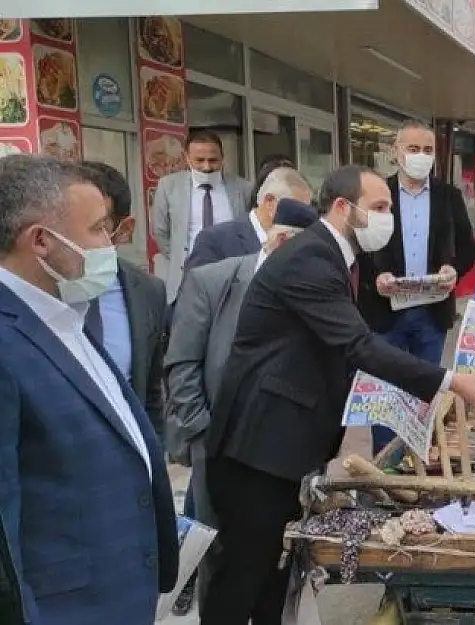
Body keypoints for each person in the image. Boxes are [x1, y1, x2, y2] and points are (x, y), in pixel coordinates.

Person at [201, 165, 475, 625]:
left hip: (287, 443)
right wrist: (450, 380)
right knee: (244, 572)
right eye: (379, 208)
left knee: (273, 573)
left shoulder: (339, 257)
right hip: (258, 447)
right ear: (343, 207)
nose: (388, 219)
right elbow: (359, 345)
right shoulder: (311, 259)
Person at [0, 155, 178, 625]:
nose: (111, 246)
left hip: (117, 591)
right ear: (40, 241)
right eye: (99, 230)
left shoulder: (62, 314)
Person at [165, 198, 317, 617]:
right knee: (222, 556)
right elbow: (182, 365)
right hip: (218, 447)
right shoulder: (213, 282)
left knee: (277, 556)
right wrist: (203, 433)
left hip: (281, 455)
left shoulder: (310, 289)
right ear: (281, 242)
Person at [356, 120, 475, 454]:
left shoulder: (447, 196)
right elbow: (359, 244)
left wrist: (453, 269)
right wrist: (374, 278)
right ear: (396, 152)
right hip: (385, 313)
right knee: (385, 392)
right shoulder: (379, 193)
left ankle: (421, 459)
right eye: (412, 149)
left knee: (426, 392)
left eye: (427, 150)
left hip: (431, 313)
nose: (420, 156)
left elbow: (468, 247)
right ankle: (387, 464)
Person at [81, 161, 170, 441]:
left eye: (97, 226)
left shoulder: (148, 292)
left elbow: (152, 392)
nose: (77, 237)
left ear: (124, 228)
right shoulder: (36, 288)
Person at [152, 130, 254, 303]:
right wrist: (181, 258)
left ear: (223, 157)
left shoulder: (243, 189)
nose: (207, 167)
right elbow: (161, 232)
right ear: (187, 158)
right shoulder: (169, 187)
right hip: (186, 279)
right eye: (199, 160)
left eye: (213, 160)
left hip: (232, 279)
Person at [186, 167, 312, 270]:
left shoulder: (300, 242)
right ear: (269, 202)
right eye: (297, 209)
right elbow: (196, 293)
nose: (303, 216)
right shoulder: (214, 240)